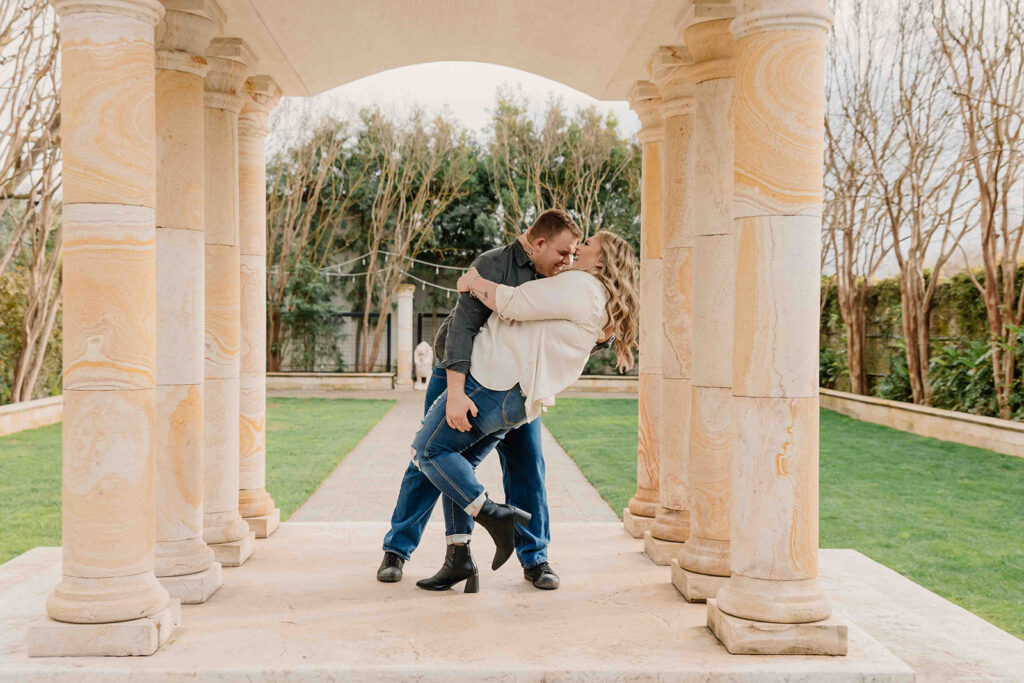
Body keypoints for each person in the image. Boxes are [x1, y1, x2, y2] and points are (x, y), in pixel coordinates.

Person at [406, 230, 639, 593]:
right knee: (458, 464)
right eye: (569, 247)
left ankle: (501, 521)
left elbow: (512, 303)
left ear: (602, 261)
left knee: (429, 451)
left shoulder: (579, 285)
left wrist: (472, 282)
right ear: (538, 242)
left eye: (586, 246)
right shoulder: (596, 301)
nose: (576, 251)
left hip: (490, 383)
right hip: (518, 397)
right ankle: (458, 558)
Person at [378, 209, 585, 590]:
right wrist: (455, 394)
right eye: (563, 253)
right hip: (458, 373)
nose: (568, 262)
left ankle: (535, 558)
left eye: (573, 255)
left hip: (519, 386)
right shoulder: (491, 264)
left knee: (528, 463)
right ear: (539, 243)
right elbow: (462, 329)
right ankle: (399, 549)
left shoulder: (561, 278)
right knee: (430, 459)